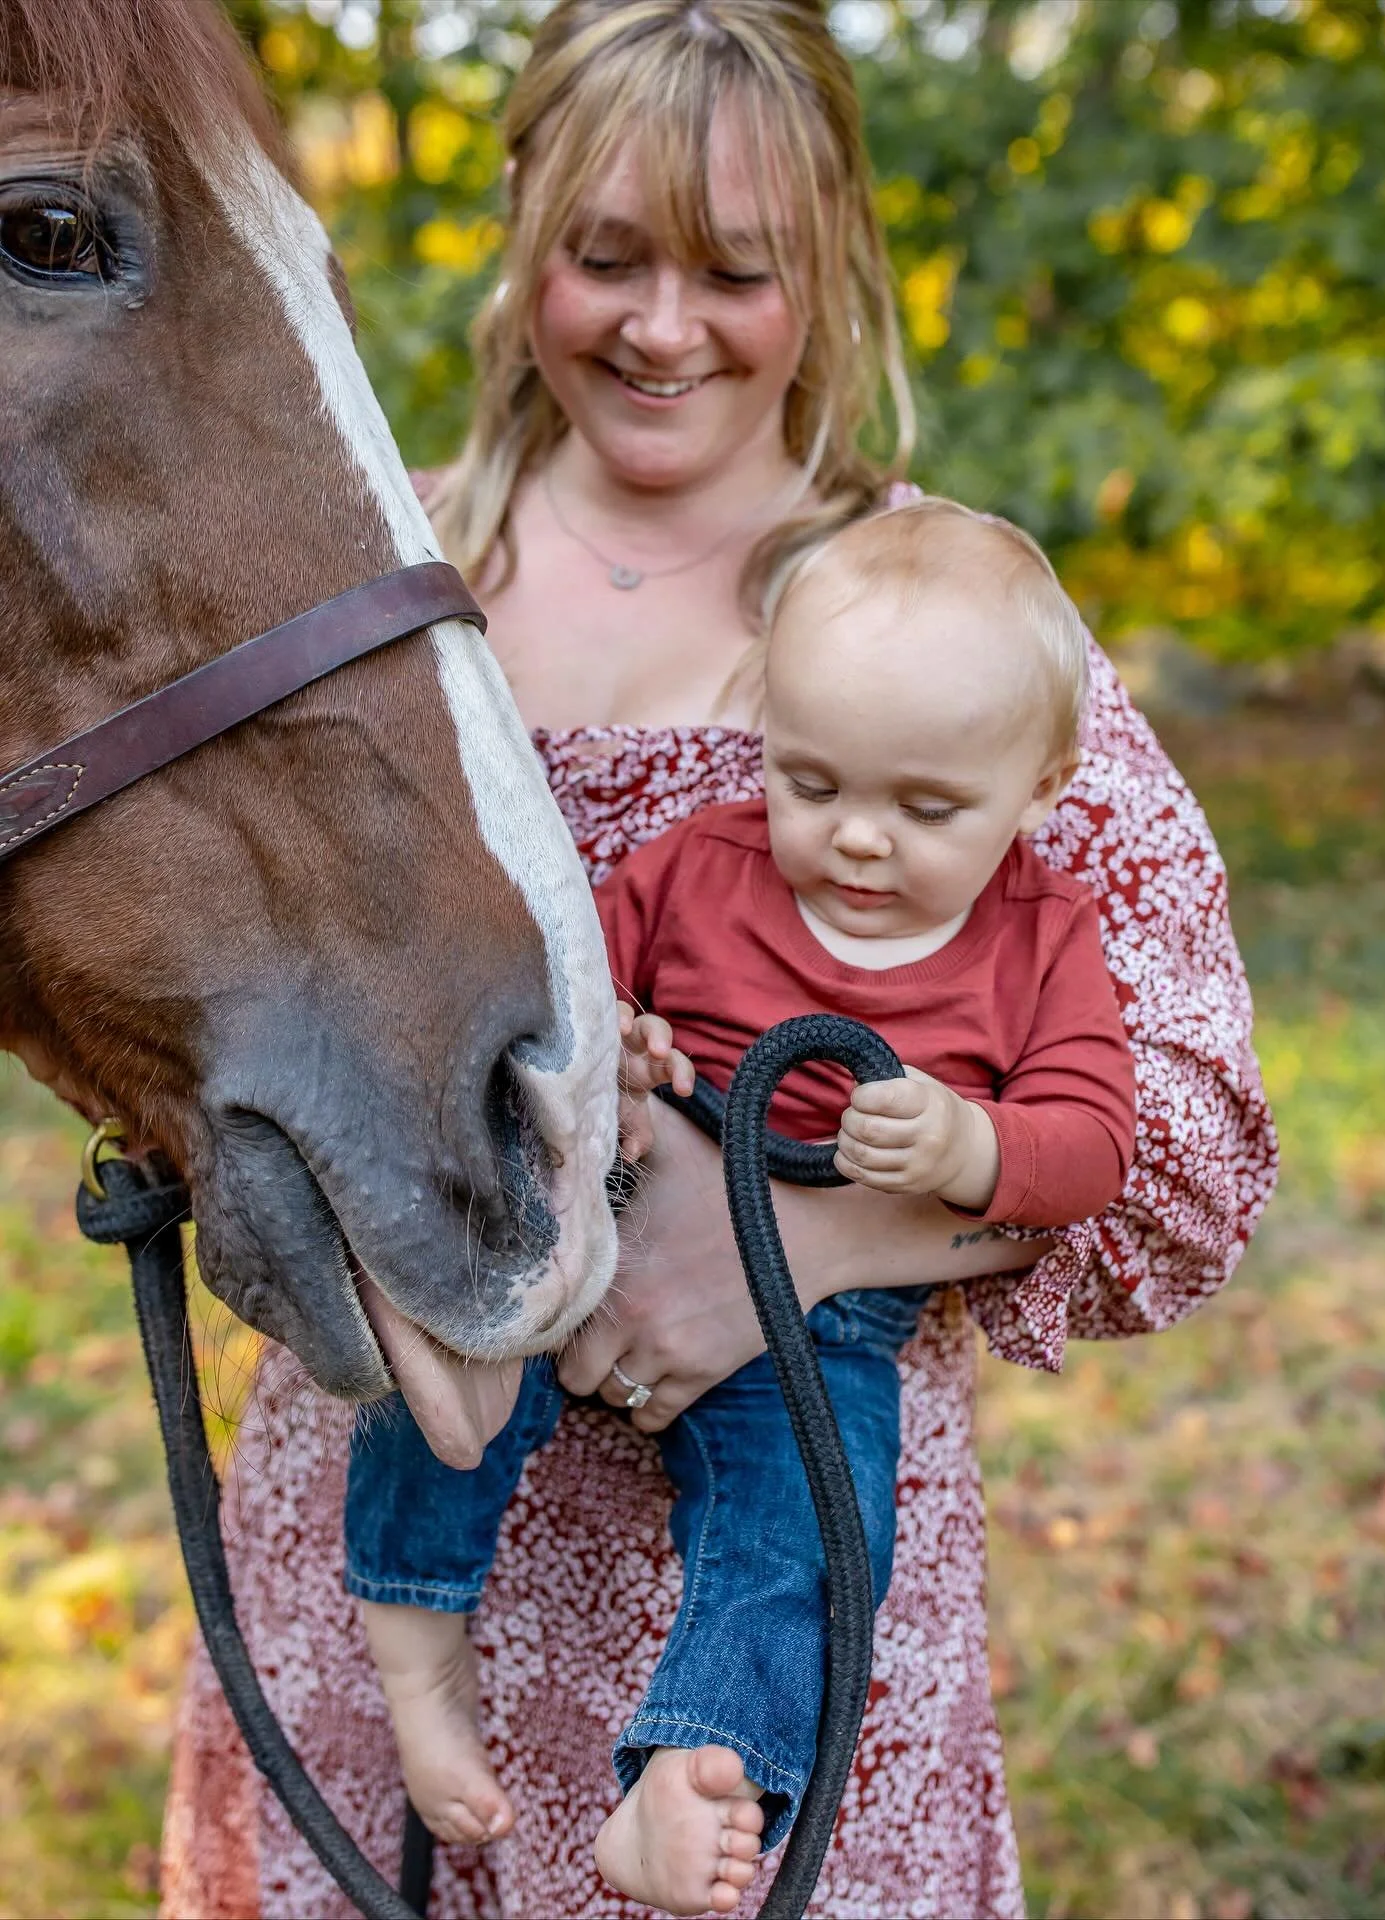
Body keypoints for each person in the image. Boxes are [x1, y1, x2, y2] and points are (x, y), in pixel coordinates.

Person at [162, 4, 1278, 1915]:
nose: (663, 327)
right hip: (396, 1534)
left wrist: (789, 1247)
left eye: (734, 270)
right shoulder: (362, 580)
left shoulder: (943, 626)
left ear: (827, 262)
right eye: (609, 256)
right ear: (527, 231)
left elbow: (1187, 1133)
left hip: (764, 1572)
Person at [344, 502, 1138, 1917]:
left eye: (926, 810)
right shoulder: (701, 865)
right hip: (612, 1213)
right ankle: (416, 1659)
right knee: (449, 1363)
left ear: (1042, 788)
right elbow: (566, 988)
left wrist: (974, 1141)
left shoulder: (1041, 939)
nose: (859, 840)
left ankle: (699, 1762)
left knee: (818, 1532)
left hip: (826, 1323)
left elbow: (1094, 1147)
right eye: (809, 781)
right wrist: (624, 1039)